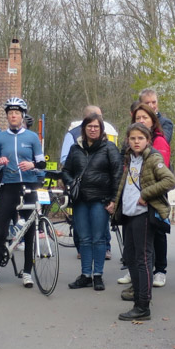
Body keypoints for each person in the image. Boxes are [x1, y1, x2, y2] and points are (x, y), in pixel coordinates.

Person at [108, 122, 175, 321]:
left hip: (144, 215)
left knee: (142, 259)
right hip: (128, 214)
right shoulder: (130, 159)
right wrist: (116, 203)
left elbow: (169, 181)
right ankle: (137, 298)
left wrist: (146, 194)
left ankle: (143, 305)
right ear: (128, 140)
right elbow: (124, 184)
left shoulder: (154, 158)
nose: (136, 142)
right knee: (129, 256)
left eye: (140, 138)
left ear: (147, 140)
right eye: (133, 138)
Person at [0, 97, 45, 289]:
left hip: (29, 187)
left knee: (29, 232)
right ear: (7, 117)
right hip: (8, 187)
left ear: (22, 115)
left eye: (16, 113)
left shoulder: (32, 137)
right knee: (0, 231)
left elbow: (42, 164)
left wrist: (32, 164)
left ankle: (27, 272)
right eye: (10, 114)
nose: (13, 116)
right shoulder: (0, 137)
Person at [62, 112, 122, 290]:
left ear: (101, 129)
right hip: (80, 200)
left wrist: (113, 200)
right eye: (90, 126)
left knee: (98, 238)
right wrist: (72, 183)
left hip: (100, 200)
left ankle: (98, 275)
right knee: (84, 239)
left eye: (96, 126)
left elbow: (117, 174)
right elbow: (66, 171)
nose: (93, 129)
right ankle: (86, 274)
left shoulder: (109, 148)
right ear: (84, 129)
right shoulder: (75, 149)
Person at [131, 102, 171, 288]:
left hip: (152, 199)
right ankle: (137, 277)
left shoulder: (159, 142)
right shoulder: (130, 143)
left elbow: (164, 176)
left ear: (152, 120)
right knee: (136, 245)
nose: (141, 120)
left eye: (144, 117)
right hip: (133, 201)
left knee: (157, 235)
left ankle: (159, 271)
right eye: (138, 118)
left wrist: (147, 193)